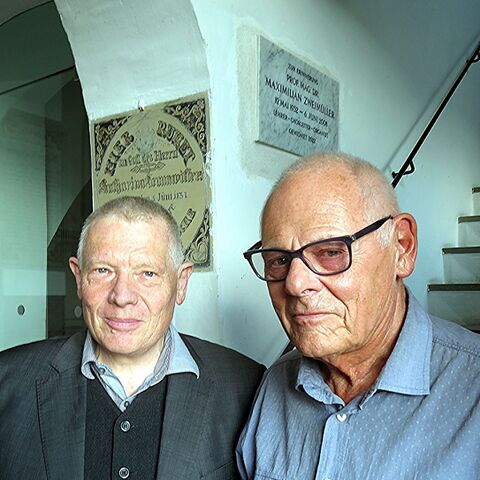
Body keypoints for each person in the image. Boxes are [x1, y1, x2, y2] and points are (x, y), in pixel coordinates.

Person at [237, 152, 480, 479]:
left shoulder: (471, 389)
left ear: (402, 247)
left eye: (330, 252)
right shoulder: (274, 385)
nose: (295, 284)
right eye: (279, 260)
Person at [0, 196, 264, 480]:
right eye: (103, 270)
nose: (122, 296)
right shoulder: (8, 381)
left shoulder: (246, 388)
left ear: (181, 283)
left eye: (147, 273)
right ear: (78, 278)